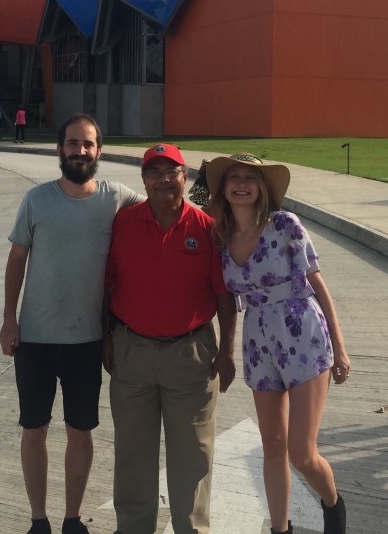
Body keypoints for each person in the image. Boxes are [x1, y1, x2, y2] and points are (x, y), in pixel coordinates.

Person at [1, 114, 143, 534]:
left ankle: (72, 519)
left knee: (80, 431)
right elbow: (16, 259)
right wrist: (9, 319)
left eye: (87, 144)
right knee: (34, 429)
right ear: (59, 148)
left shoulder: (115, 197)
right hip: (35, 339)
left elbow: (165, 205)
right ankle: (38, 519)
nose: (80, 151)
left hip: (87, 341)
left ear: (99, 151)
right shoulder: (36, 199)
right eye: (72, 143)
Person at [204, 152, 350, 534]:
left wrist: (340, 346)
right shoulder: (220, 236)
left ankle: (333, 506)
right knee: (272, 445)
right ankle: (280, 529)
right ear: (224, 188)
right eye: (233, 177)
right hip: (258, 341)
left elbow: (317, 283)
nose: (241, 184)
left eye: (249, 178)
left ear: (261, 188)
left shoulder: (284, 224)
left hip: (303, 335)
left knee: (302, 453)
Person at [104, 143, 237, 534]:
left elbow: (224, 295)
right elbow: (107, 284)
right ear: (143, 179)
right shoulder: (124, 223)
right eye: (154, 172)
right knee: (133, 454)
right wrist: (106, 339)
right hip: (132, 351)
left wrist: (227, 352)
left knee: (193, 456)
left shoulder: (206, 228)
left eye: (171, 171)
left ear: (185, 177)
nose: (163, 179)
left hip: (191, 356)